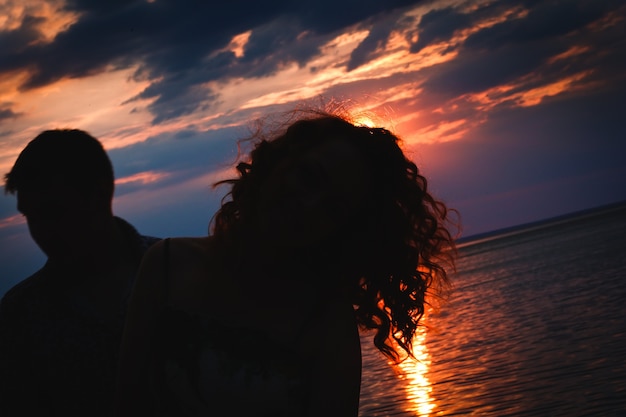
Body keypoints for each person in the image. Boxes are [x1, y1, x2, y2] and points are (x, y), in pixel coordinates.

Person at [115, 111, 457, 417]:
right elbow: (126, 400)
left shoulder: (324, 323)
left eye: (332, 207)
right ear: (278, 161)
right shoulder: (168, 264)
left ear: (342, 231)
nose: (308, 204)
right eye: (309, 177)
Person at [0, 129, 160, 417]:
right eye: (30, 217)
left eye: (53, 212)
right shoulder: (18, 315)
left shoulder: (179, 271)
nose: (41, 232)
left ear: (99, 195)